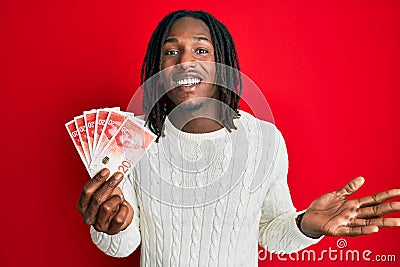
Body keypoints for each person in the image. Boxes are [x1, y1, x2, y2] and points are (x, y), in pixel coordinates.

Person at [77, 10, 400, 266]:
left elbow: (271, 234)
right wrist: (109, 226)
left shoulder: (264, 138)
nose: (185, 61)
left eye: (201, 50)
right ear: (157, 68)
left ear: (222, 65)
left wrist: (305, 225)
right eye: (171, 51)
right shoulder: (125, 139)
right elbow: (122, 248)